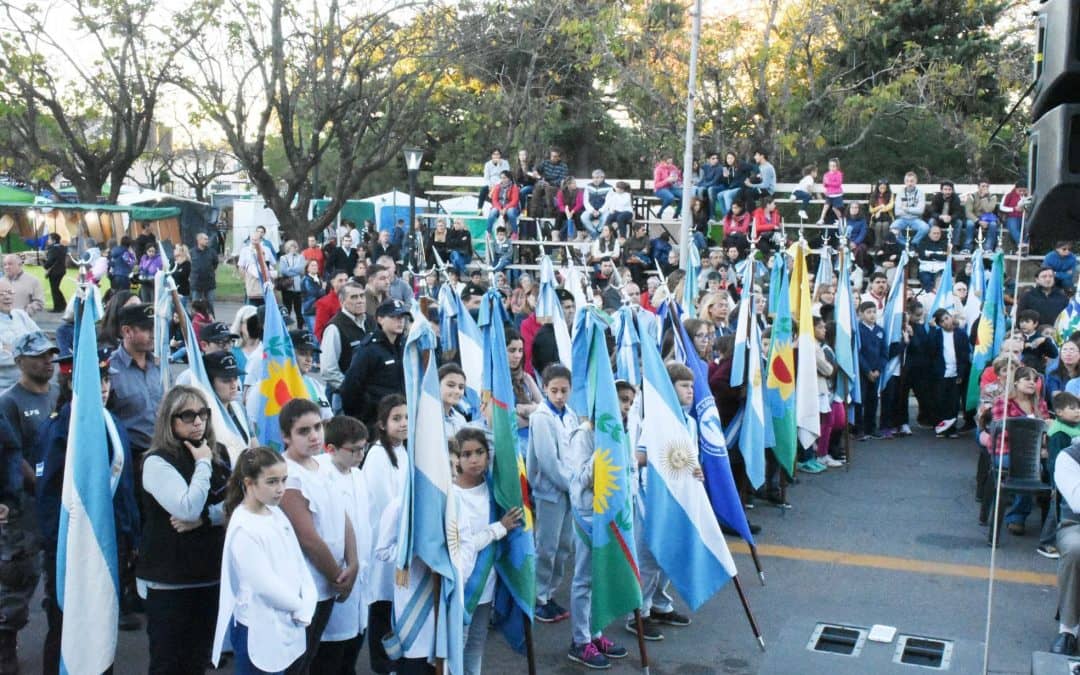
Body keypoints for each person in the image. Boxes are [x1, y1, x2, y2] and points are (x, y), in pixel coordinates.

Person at [38, 347, 140, 674]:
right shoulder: (63, 427)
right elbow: (50, 494)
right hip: (73, 543)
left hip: (111, 539)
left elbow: (124, 489)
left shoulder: (112, 422)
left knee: (101, 623)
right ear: (73, 384)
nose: (104, 387)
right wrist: (56, 547)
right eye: (97, 381)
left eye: (107, 379)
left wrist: (131, 536)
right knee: (66, 625)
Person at [138, 385, 231, 675]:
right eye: (188, 415)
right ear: (170, 420)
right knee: (169, 663)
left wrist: (206, 519)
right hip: (170, 580)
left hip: (210, 573)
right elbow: (187, 508)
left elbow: (237, 504)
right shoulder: (156, 461)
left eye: (203, 413)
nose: (198, 421)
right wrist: (202, 463)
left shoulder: (219, 452)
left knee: (198, 660)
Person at [212, 446, 317, 674]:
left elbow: (299, 563)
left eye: (284, 480)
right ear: (249, 483)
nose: (281, 489)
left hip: (288, 623)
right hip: (258, 629)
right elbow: (264, 585)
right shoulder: (244, 527)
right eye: (272, 482)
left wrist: (309, 599)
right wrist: (300, 606)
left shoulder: (275, 513)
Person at [278, 398, 358, 674]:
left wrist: (353, 561)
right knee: (298, 663)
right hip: (308, 584)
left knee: (311, 656)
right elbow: (308, 538)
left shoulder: (323, 465)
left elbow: (343, 515)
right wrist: (339, 578)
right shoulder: (288, 475)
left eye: (317, 427)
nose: (314, 435)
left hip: (331, 580)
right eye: (303, 431)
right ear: (286, 436)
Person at [564, 391, 630, 669]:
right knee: (584, 579)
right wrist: (603, 449)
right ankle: (580, 641)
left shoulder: (619, 431)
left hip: (610, 514)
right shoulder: (584, 435)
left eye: (629, 402)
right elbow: (582, 477)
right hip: (588, 515)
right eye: (620, 401)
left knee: (600, 577)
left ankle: (595, 632)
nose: (625, 407)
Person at [451, 428, 524, 675]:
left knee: (476, 642)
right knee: (457, 644)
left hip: (487, 579)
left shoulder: (494, 488)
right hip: (464, 582)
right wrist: (498, 528)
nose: (474, 459)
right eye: (466, 454)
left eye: (479, 452)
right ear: (456, 459)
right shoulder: (452, 494)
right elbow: (463, 543)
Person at [309, 416, 370, 673]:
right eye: (354, 450)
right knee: (328, 655)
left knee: (351, 649)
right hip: (335, 575)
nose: (360, 455)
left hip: (360, 575)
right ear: (331, 448)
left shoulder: (358, 475)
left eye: (363, 448)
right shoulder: (322, 475)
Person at [361, 394, 408, 674]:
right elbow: (386, 504)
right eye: (396, 418)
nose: (403, 423)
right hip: (385, 540)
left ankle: (394, 660)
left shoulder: (403, 450)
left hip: (401, 539)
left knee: (394, 604)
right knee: (381, 603)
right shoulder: (378, 455)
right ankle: (381, 663)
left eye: (406, 417)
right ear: (382, 423)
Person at [527, 363, 578, 623]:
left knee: (564, 545)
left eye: (564, 390)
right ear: (544, 388)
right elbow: (548, 460)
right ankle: (538, 597)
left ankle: (549, 592)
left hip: (570, 490)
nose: (559, 396)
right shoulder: (541, 417)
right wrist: (572, 484)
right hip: (550, 491)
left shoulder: (570, 415)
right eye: (554, 390)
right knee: (546, 546)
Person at [341, 299, 409, 426]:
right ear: (380, 319)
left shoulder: (404, 346)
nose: (400, 321)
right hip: (376, 420)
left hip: (401, 417)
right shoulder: (368, 349)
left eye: (403, 317)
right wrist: (361, 418)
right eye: (394, 317)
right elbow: (350, 387)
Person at [108, 303, 163, 455]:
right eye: (146, 329)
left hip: (163, 452)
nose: (153, 334)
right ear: (127, 331)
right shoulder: (111, 369)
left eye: (155, 328)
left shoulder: (159, 366)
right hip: (130, 454)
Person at [1049, 424, 1080, 654]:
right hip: (1075, 525)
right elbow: (1077, 502)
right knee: (1075, 548)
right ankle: (1068, 629)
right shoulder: (1068, 457)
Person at [1038, 392, 1080, 560]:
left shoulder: (1075, 427)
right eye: (1072, 408)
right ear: (1059, 412)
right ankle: (1046, 542)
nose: (1077, 411)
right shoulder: (1058, 432)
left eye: (1078, 408)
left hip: (1073, 476)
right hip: (1061, 478)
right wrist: (1056, 484)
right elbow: (1054, 460)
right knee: (1055, 510)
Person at [928, 308, 971, 437]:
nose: (946, 322)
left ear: (951, 317)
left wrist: (961, 374)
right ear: (939, 324)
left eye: (947, 318)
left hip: (955, 372)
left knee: (953, 402)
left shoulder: (961, 334)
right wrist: (932, 329)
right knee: (940, 400)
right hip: (941, 373)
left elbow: (964, 355)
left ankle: (951, 428)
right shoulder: (937, 334)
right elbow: (931, 350)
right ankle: (941, 428)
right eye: (942, 321)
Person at [857, 301, 886, 440]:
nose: (872, 315)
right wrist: (867, 371)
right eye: (868, 312)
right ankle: (859, 428)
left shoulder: (880, 330)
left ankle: (871, 427)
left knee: (873, 400)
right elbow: (858, 353)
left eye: (874, 312)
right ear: (861, 314)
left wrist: (878, 370)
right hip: (863, 373)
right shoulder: (858, 330)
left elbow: (884, 353)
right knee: (861, 400)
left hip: (876, 373)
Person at [291, 329, 332, 419]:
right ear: (289, 353)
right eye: (302, 353)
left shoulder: (315, 384)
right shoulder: (280, 384)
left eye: (311, 354)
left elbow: (328, 418)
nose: (309, 359)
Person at [238, 226, 278, 306]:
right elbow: (241, 267)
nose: (254, 242)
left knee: (265, 307)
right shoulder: (245, 250)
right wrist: (245, 280)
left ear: (260, 240)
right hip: (251, 283)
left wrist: (271, 277)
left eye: (256, 240)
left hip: (265, 283)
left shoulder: (266, 249)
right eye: (252, 240)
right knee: (251, 307)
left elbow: (273, 264)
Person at [891, 172, 929, 246]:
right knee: (893, 228)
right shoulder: (900, 193)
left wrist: (906, 209)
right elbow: (897, 212)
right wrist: (914, 210)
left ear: (916, 182)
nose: (909, 183)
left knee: (925, 228)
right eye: (907, 181)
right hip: (902, 219)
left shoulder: (920, 193)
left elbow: (920, 211)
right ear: (905, 182)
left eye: (912, 181)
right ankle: (905, 245)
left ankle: (914, 243)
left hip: (916, 219)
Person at [532, 148, 570, 219]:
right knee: (538, 187)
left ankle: (550, 213)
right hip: (544, 183)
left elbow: (561, 180)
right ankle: (533, 213)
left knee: (548, 189)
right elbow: (536, 167)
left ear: (559, 157)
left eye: (555, 156)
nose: (552, 158)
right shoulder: (546, 163)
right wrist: (535, 171)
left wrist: (549, 183)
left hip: (555, 187)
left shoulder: (563, 166)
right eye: (551, 156)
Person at [963, 181, 1000, 252]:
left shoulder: (993, 197)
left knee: (993, 225)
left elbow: (988, 210)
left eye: (987, 186)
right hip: (975, 218)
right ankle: (967, 247)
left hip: (988, 219)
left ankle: (988, 247)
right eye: (983, 186)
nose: (985, 188)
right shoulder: (972, 196)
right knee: (969, 223)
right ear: (978, 187)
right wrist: (978, 221)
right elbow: (968, 212)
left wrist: (984, 198)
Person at [928, 181, 965, 249]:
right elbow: (932, 211)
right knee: (931, 221)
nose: (947, 192)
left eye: (949, 189)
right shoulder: (937, 197)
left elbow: (958, 212)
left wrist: (951, 217)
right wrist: (940, 216)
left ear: (952, 190)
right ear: (941, 190)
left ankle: (954, 245)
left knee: (959, 222)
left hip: (950, 220)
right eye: (945, 189)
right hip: (939, 219)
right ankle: (933, 243)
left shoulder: (956, 198)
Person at [314, 271, 349, 341]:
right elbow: (319, 330)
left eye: (346, 280)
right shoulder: (324, 303)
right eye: (340, 281)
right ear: (332, 282)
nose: (344, 283)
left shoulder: (351, 298)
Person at [278, 239, 307, 323]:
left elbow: (301, 269)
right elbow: (283, 271)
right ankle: (287, 325)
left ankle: (300, 326)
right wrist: (295, 272)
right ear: (287, 248)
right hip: (287, 287)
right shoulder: (283, 258)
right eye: (291, 247)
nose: (293, 248)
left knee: (299, 309)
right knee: (287, 308)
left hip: (298, 287)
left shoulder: (301, 257)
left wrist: (290, 269)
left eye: (294, 246)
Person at [190, 232, 219, 316]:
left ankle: (211, 321)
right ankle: (194, 321)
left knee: (210, 304)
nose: (207, 241)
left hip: (209, 283)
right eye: (205, 239)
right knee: (195, 305)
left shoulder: (212, 252)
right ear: (199, 240)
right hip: (196, 283)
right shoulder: (192, 252)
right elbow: (189, 265)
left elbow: (215, 264)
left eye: (207, 239)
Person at [487, 170, 521, 236]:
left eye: (504, 178)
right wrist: (500, 208)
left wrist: (505, 208)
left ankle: (515, 232)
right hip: (499, 206)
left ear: (509, 178)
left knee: (510, 213)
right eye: (501, 178)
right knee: (493, 212)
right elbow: (494, 200)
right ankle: (488, 232)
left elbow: (515, 201)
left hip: (511, 207)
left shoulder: (514, 187)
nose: (503, 180)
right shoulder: (497, 187)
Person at [580, 170, 613, 237]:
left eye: (597, 177)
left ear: (602, 178)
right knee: (583, 217)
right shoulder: (588, 186)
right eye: (594, 177)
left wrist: (600, 211)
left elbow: (608, 202)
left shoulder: (609, 188)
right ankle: (595, 234)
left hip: (603, 210)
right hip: (591, 210)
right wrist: (592, 210)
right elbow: (585, 201)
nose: (595, 179)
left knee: (605, 218)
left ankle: (597, 232)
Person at [1000, 181, 1029, 250]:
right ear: (1016, 189)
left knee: (1028, 227)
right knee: (1013, 226)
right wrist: (1013, 209)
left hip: (1023, 217)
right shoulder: (1009, 195)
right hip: (1011, 217)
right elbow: (1001, 207)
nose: (1022, 192)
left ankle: (1024, 246)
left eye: (1024, 191)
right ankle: (1021, 244)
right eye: (1020, 191)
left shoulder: (1027, 196)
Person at [43, 233, 67, 313]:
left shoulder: (53, 249)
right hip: (61, 271)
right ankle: (63, 304)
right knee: (56, 289)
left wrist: (45, 265)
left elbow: (50, 260)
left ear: (54, 241)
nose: (48, 241)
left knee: (54, 290)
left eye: (49, 239)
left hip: (54, 272)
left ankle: (58, 307)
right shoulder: (62, 248)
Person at [817, 158, 844, 225]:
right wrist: (825, 184)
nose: (832, 167)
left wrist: (829, 183)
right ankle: (821, 219)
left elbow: (838, 184)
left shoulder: (839, 174)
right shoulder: (826, 174)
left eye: (834, 166)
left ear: (837, 167)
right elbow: (824, 184)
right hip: (829, 195)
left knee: (835, 208)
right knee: (825, 207)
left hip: (837, 195)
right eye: (830, 166)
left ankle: (841, 220)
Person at [868, 179, 895, 247]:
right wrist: (880, 206)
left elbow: (890, 206)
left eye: (884, 187)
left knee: (885, 225)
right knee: (878, 224)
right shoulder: (873, 195)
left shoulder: (890, 195)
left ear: (887, 187)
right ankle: (878, 244)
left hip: (887, 217)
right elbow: (871, 210)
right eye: (881, 187)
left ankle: (884, 244)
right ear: (878, 187)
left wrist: (880, 211)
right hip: (876, 218)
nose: (882, 188)